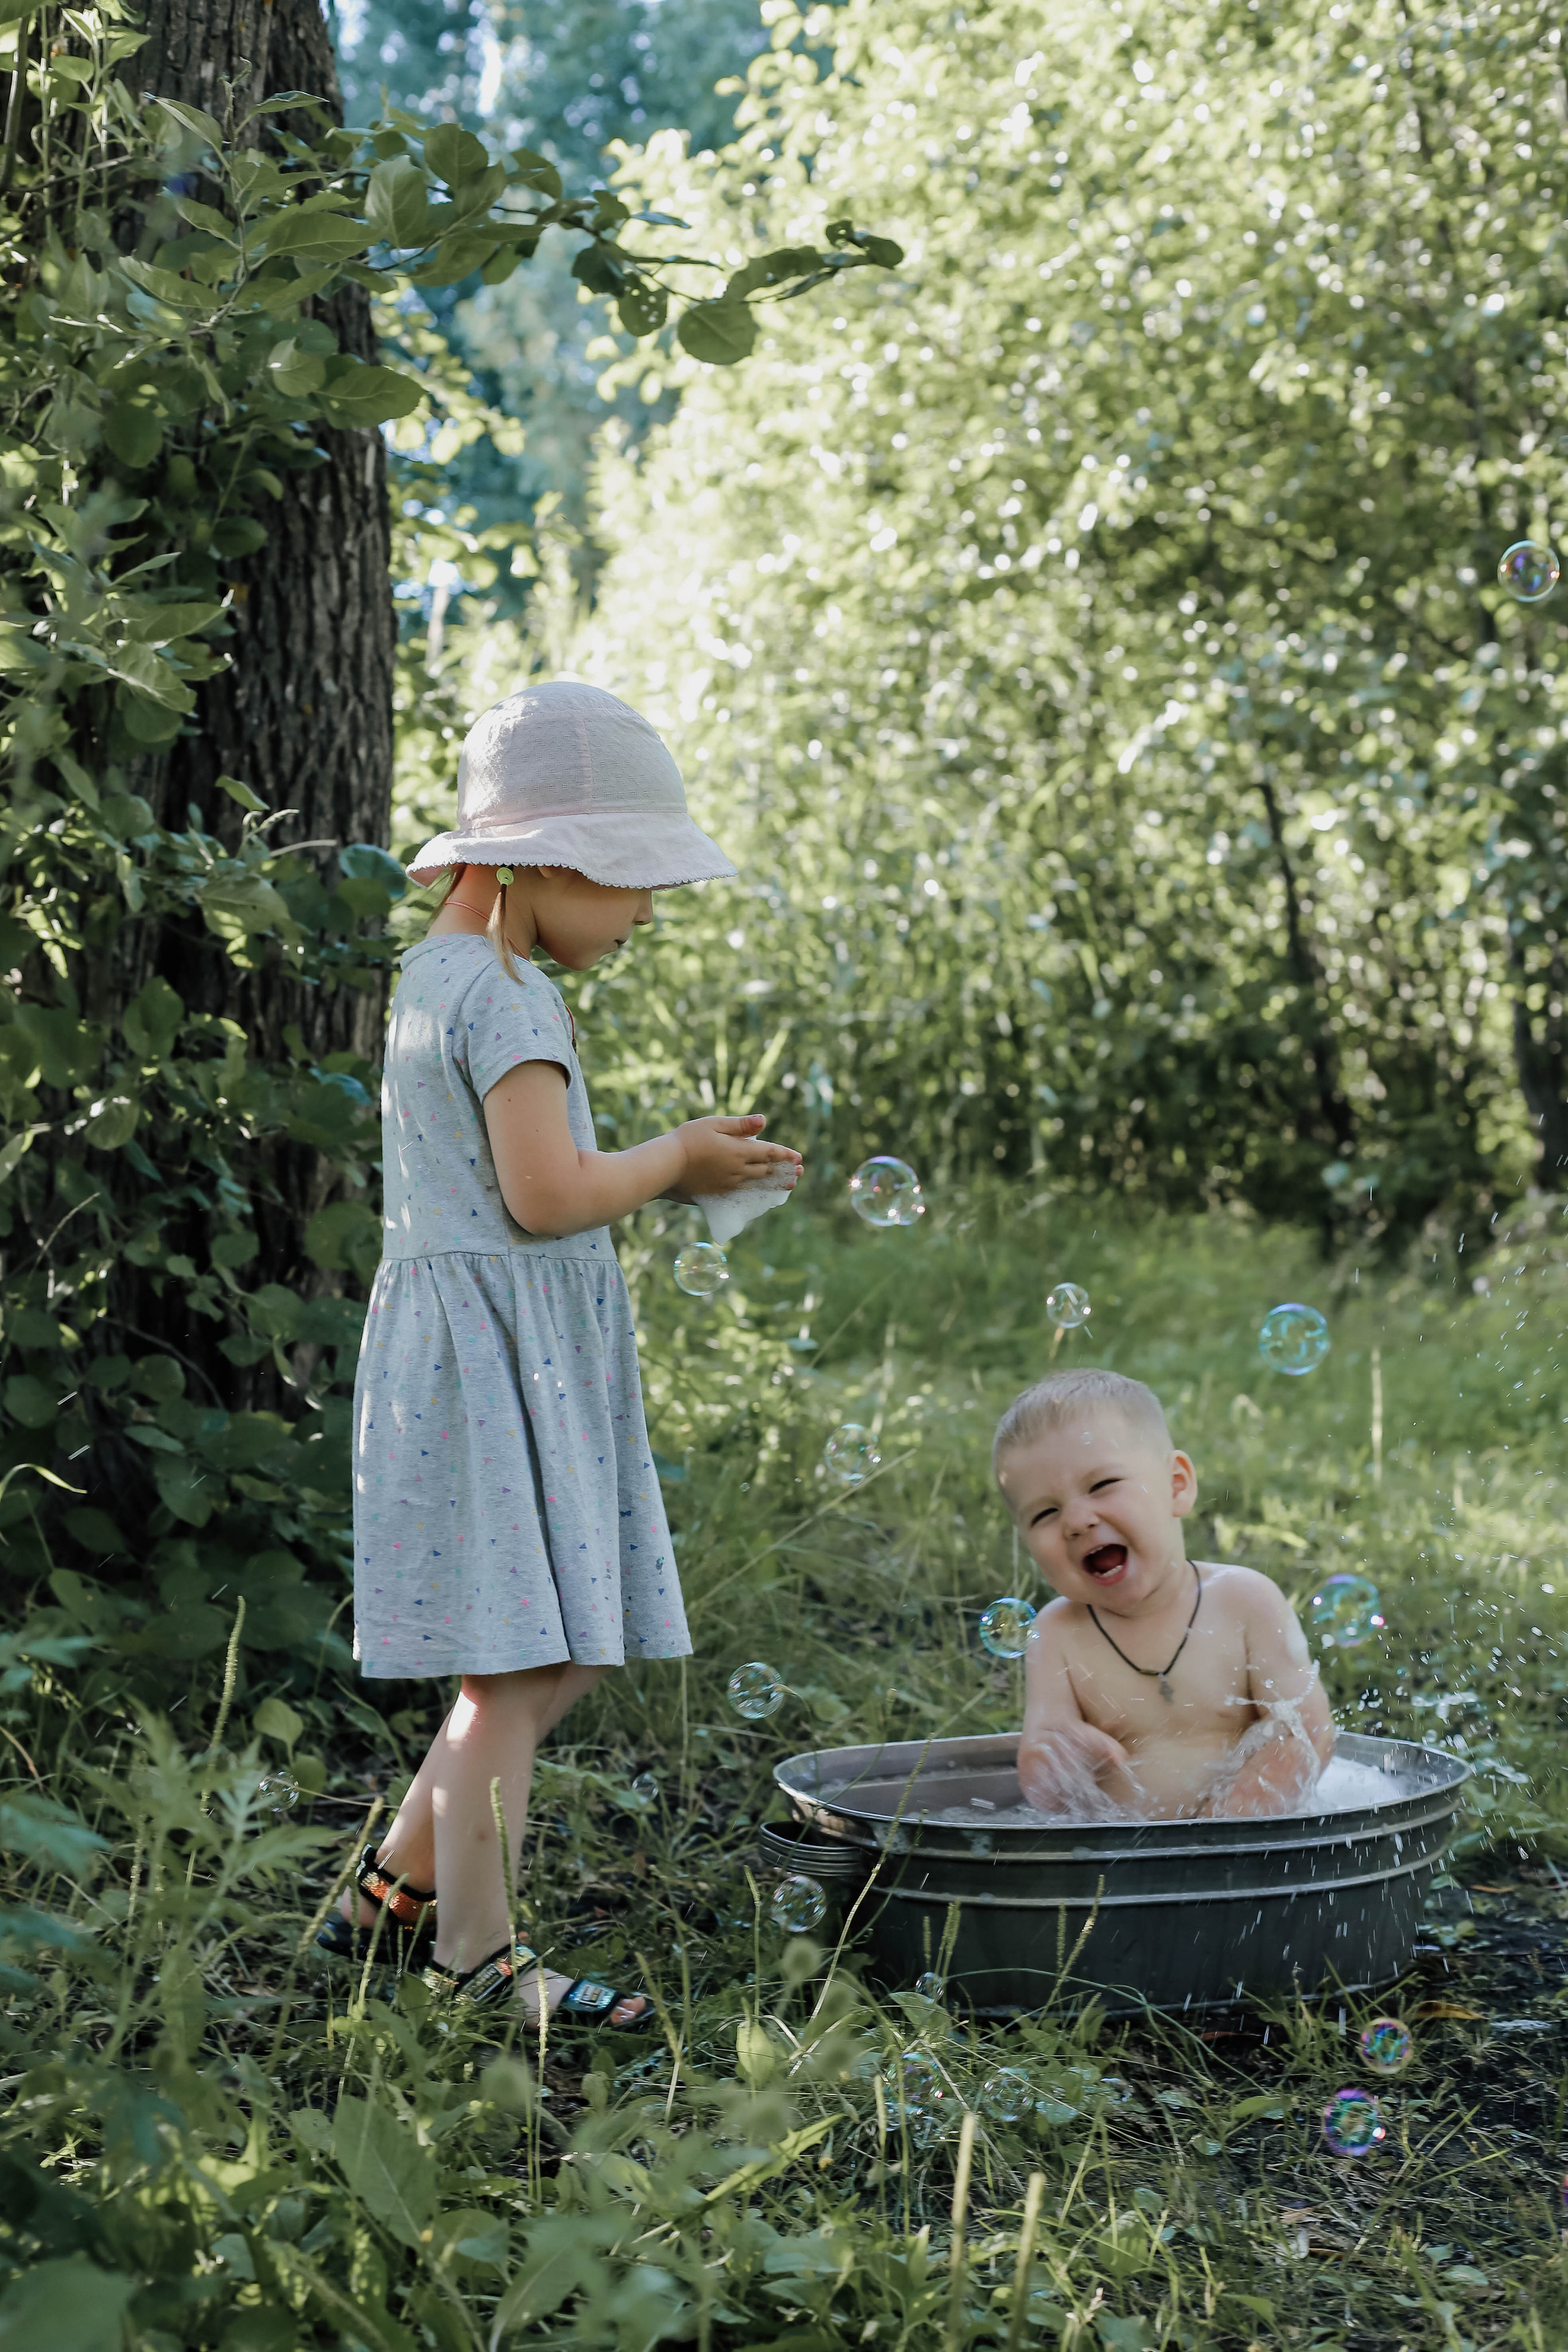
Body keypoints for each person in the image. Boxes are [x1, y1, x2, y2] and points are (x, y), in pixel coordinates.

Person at [320, 680, 802, 2021]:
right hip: (493, 1373)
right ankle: (477, 1966)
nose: (646, 911)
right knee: (517, 1666)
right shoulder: (512, 1002)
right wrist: (681, 1158)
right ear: (536, 861)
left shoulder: (440, 975)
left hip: (474, 1360)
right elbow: (544, 1196)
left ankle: (389, 1898)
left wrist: (669, 1171)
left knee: (550, 1651)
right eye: (628, 880)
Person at [992, 1368, 1335, 1820]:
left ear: (1176, 1485)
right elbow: (1045, 1759)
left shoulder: (1244, 1602)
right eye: (1045, 1514)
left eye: (1102, 1486)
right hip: (1125, 1867)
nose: (1076, 1521)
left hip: (1252, 1848)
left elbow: (1307, 1731)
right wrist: (1056, 1760)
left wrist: (1223, 1828)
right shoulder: (1057, 1634)